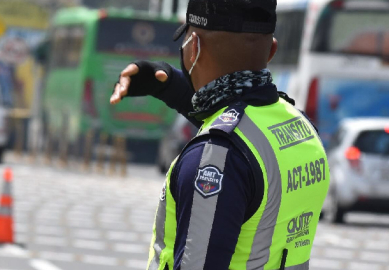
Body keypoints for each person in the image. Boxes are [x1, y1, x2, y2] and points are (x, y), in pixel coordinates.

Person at [111, 0, 330, 269]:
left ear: (194, 49)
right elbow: (240, 125)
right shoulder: (301, 127)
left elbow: (231, 140)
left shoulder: (216, 158)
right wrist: (167, 85)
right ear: (271, 50)